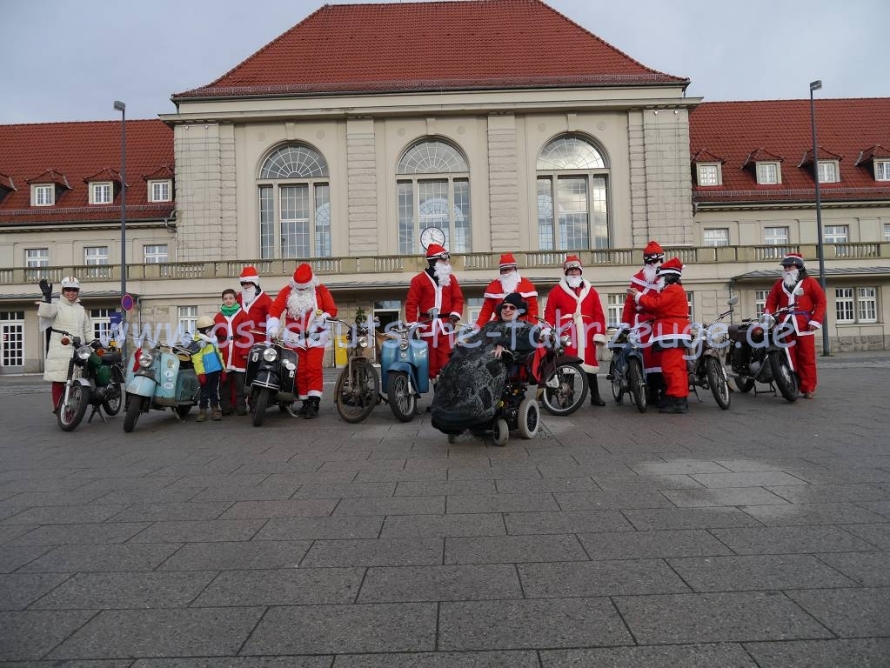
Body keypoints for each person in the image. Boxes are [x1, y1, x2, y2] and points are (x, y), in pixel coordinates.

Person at [267, 263, 338, 419]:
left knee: (313, 369)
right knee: (299, 371)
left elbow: (332, 309)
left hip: (315, 338)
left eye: (303, 288)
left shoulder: (320, 290)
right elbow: (275, 309)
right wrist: (273, 326)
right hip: (293, 339)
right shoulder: (287, 291)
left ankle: (314, 403)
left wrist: (324, 317)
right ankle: (305, 402)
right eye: (298, 288)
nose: (300, 291)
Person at [627, 257, 691, 414]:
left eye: (661, 276)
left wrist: (638, 296)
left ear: (669, 276)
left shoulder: (673, 290)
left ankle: (678, 401)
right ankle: (676, 397)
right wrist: (642, 306)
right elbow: (658, 307)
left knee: (672, 368)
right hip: (672, 332)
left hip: (672, 332)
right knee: (675, 368)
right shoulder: (673, 290)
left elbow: (656, 304)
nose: (658, 279)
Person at [543, 254, 608, 406]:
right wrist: (547, 330)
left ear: (580, 271)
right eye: (570, 271)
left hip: (587, 331)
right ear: (565, 272)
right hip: (567, 332)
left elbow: (599, 313)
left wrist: (599, 333)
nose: (573, 273)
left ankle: (595, 395)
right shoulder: (556, 291)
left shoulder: (591, 291)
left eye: (576, 270)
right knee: (568, 365)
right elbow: (550, 313)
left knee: (590, 365)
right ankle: (568, 396)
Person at [764, 252, 827, 398]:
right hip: (785, 326)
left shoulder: (810, 282)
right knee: (788, 357)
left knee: (807, 357)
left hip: (805, 325)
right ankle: (793, 385)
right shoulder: (779, 284)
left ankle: (808, 387)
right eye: (785, 267)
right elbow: (771, 302)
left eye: (789, 266)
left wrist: (815, 320)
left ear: (798, 266)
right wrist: (769, 318)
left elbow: (821, 302)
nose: (786, 269)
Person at [405, 243, 465, 381]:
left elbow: (458, 299)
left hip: (446, 325)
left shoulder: (451, 279)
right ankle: (435, 390)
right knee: (430, 362)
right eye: (444, 259)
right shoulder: (418, 280)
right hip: (427, 325)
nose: (447, 262)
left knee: (447, 361)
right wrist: (412, 325)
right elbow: (412, 304)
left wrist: (454, 317)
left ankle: (445, 393)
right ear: (434, 261)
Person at [36, 277, 93, 411]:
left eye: (74, 290)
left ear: (78, 291)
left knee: (75, 383)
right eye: (68, 289)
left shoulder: (81, 309)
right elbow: (45, 313)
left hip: (78, 351)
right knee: (58, 382)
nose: (71, 292)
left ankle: (71, 409)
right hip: (60, 350)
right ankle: (58, 409)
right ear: (62, 290)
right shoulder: (56, 305)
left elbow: (87, 329)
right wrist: (46, 296)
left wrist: (92, 343)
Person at [621, 240, 666, 402]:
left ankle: (665, 388)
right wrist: (626, 325)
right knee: (645, 352)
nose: (655, 264)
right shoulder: (637, 280)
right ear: (646, 261)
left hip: (661, 321)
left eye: (657, 260)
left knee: (664, 353)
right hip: (641, 322)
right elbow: (629, 305)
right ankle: (649, 387)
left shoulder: (667, 278)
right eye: (651, 261)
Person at [476, 253, 539, 328]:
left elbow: (533, 311)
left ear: (515, 269)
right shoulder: (493, 286)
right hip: (498, 326)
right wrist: (477, 328)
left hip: (521, 326)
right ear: (500, 271)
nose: (507, 273)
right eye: (504, 270)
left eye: (509, 269)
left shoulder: (527, 285)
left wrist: (533, 328)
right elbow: (486, 312)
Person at [214, 288, 250, 416]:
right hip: (224, 351)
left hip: (238, 350)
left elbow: (247, 333)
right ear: (223, 301)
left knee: (240, 383)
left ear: (235, 299)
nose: (228, 301)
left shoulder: (243, 314)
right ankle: (226, 407)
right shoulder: (218, 317)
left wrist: (245, 350)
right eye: (225, 299)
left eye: (230, 298)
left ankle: (241, 407)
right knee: (224, 383)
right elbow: (215, 336)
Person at [190, 315, 226, 422]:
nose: (212, 331)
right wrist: (200, 373)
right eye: (210, 329)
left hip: (215, 370)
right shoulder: (198, 343)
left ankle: (215, 410)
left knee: (214, 392)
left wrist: (223, 369)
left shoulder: (213, 341)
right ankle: (202, 411)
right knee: (205, 393)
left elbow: (219, 355)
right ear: (204, 331)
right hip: (205, 372)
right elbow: (196, 358)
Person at [236, 265, 272, 341]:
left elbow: (272, 317)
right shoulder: (238, 298)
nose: (246, 287)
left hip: (259, 339)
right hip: (241, 339)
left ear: (255, 283)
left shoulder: (265, 299)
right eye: (243, 284)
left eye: (248, 284)